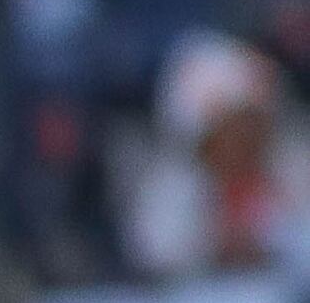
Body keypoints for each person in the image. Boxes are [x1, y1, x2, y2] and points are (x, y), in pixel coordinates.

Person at [123, 32, 310, 278]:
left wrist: (270, 242)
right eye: (231, 126)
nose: (244, 138)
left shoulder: (291, 166)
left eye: (252, 123)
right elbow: (154, 254)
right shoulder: (172, 188)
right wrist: (215, 241)